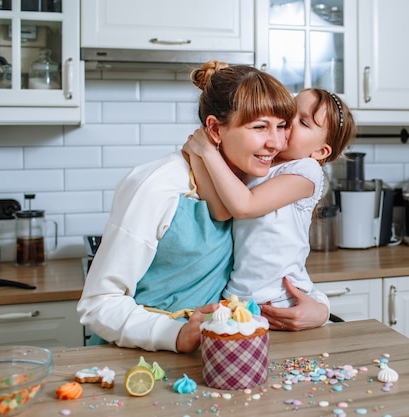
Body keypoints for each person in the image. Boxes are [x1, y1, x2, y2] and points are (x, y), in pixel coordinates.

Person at [77, 61, 327, 353]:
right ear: (215, 129)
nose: (275, 143)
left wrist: (320, 307)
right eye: (259, 127)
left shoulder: (255, 187)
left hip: (217, 355)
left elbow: (273, 267)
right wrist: (175, 333)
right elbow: (98, 303)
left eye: (282, 126)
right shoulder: (156, 185)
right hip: (136, 359)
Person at [184, 88, 355, 330]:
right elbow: (222, 211)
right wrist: (196, 153)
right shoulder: (260, 162)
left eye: (304, 122)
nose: (289, 122)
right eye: (290, 112)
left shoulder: (307, 170)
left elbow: (245, 206)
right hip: (240, 297)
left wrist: (208, 153)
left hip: (282, 299)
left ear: (320, 151)